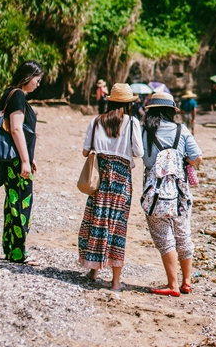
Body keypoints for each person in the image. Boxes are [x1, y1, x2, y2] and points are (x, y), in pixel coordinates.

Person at [78, 83, 143, 290]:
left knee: (97, 220)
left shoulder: (96, 121)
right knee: (117, 226)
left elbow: (85, 151)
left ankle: (93, 271)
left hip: (101, 177)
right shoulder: (132, 123)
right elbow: (139, 152)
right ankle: (115, 282)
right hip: (121, 179)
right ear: (128, 104)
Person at [141, 92, 202, 297]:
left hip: (154, 191)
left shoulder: (145, 131)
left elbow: (142, 156)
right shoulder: (181, 130)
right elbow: (197, 157)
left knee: (163, 237)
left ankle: (172, 285)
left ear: (151, 111)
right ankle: (186, 282)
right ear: (171, 111)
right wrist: (183, 160)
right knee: (183, 234)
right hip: (179, 190)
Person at [0, 60, 43, 265]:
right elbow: (16, 129)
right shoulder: (17, 96)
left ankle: (10, 249)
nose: (37, 84)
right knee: (21, 204)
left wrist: (30, 158)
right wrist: (25, 160)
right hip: (16, 161)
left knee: (12, 202)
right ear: (28, 77)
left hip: (13, 159)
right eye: (37, 80)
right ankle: (18, 253)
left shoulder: (11, 93)